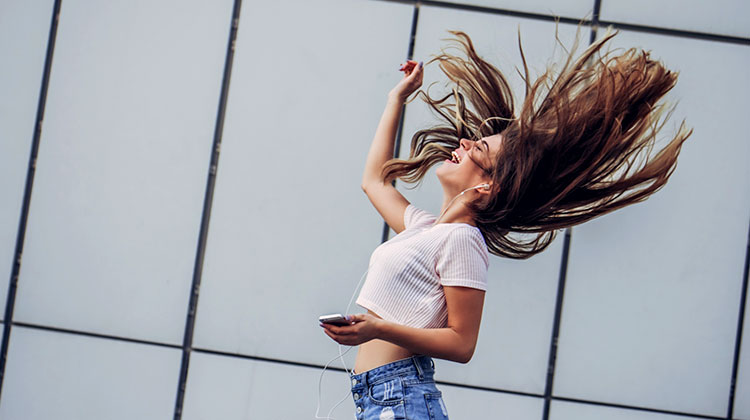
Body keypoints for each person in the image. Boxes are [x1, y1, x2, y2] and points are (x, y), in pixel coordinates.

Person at [320, 27, 692, 420]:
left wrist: (377, 329)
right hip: (379, 398)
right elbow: (374, 181)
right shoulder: (425, 230)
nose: (463, 143)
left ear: (486, 187)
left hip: (401, 399)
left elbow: (462, 344)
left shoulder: (463, 242)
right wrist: (397, 98)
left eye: (476, 148)